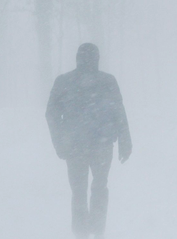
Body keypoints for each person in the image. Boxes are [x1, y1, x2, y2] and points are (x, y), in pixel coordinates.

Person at [46, 43, 132, 239]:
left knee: (79, 191)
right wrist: (125, 141)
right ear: (98, 58)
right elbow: (119, 112)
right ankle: (97, 231)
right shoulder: (107, 81)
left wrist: (60, 141)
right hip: (100, 144)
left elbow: (51, 114)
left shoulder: (64, 81)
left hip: (76, 146)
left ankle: (81, 233)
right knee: (98, 187)